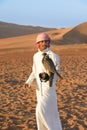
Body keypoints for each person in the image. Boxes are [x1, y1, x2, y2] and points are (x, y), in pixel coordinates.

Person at [24, 33, 62, 130]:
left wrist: (49, 79)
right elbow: (34, 71)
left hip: (48, 88)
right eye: (42, 41)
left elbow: (57, 72)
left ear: (49, 43)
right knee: (47, 113)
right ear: (38, 43)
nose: (44, 43)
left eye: (46, 41)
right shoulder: (36, 56)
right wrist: (28, 82)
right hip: (38, 89)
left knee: (40, 110)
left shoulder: (54, 56)